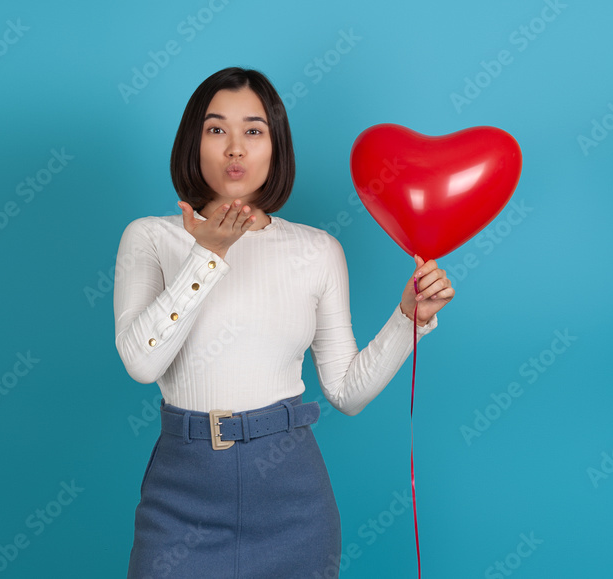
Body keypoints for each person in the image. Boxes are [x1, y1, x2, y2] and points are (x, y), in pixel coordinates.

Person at [113, 67, 454, 578]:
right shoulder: (149, 238)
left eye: (253, 130)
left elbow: (346, 392)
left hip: (291, 498)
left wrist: (409, 318)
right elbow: (142, 363)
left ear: (276, 147)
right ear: (193, 143)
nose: (235, 148)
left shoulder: (317, 250)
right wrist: (208, 255)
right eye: (215, 129)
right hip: (182, 493)